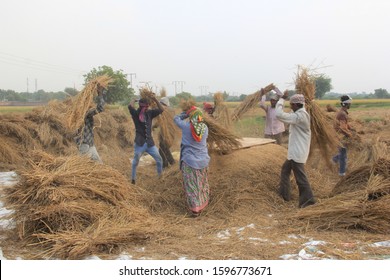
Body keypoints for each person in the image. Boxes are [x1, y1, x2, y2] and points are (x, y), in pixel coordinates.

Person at [275, 89, 315, 208]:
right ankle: (284, 195)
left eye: (292, 104)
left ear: (297, 105)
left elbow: (279, 114)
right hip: (294, 152)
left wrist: (282, 99)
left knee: (301, 179)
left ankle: (308, 201)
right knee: (285, 170)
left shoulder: (300, 116)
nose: (291, 106)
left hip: (298, 153)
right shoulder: (300, 114)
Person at [174, 105, 210, 217]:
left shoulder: (186, 126)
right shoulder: (205, 128)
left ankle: (195, 210)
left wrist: (186, 113)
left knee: (191, 185)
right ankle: (203, 204)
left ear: (191, 117)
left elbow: (175, 119)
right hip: (203, 161)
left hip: (189, 161)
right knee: (201, 183)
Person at [128, 95, 164, 184]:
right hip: (139, 143)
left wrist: (155, 99)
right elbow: (130, 106)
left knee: (159, 159)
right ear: (141, 106)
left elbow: (161, 109)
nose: (147, 108)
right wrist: (133, 99)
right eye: (145, 106)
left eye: (147, 106)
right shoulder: (135, 114)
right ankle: (133, 179)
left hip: (150, 144)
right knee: (135, 161)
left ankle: (160, 177)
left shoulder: (150, 113)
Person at [75, 85, 106, 163]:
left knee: (99, 164)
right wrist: (100, 94)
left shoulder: (81, 111)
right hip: (84, 144)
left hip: (90, 143)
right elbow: (100, 108)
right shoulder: (83, 112)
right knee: (83, 165)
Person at [332, 95, 353, 176]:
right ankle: (342, 173)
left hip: (339, 136)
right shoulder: (342, 114)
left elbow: (345, 124)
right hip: (340, 137)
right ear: (347, 104)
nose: (350, 105)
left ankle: (333, 160)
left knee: (342, 153)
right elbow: (342, 128)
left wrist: (351, 129)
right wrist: (349, 135)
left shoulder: (342, 112)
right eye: (349, 103)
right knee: (343, 155)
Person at [158, 96, 176, 168]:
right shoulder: (171, 110)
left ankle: (168, 164)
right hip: (170, 132)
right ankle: (170, 163)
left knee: (162, 149)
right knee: (165, 148)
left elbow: (160, 121)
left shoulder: (164, 110)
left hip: (167, 133)